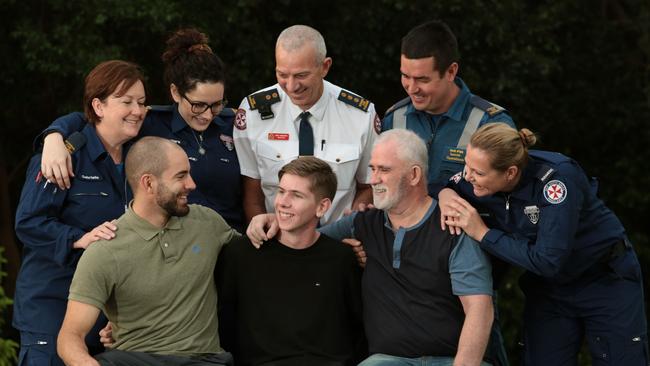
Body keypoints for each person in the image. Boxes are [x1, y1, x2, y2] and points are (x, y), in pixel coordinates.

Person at [249, 129, 494, 366]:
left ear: (414, 175)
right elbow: (305, 240)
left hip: (453, 360)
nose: (373, 179)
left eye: (384, 170)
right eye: (372, 168)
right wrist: (272, 220)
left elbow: (479, 308)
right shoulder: (363, 223)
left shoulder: (451, 225)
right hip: (386, 360)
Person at [439, 123, 648, 365]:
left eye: (478, 172)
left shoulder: (556, 180)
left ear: (510, 172)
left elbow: (548, 260)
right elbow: (443, 185)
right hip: (550, 289)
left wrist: (483, 233)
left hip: (603, 279)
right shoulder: (474, 178)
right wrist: (447, 195)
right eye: (467, 165)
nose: (468, 176)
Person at [38, 28, 245, 232]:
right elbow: (95, 120)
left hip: (230, 242)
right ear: (175, 92)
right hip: (176, 248)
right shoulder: (149, 122)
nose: (208, 115)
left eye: (217, 104)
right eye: (198, 105)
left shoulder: (235, 124)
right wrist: (54, 136)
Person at [57, 136, 238, 366]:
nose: (192, 184)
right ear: (149, 183)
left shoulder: (207, 223)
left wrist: (264, 222)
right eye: (181, 176)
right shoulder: (105, 250)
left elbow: (255, 256)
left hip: (202, 359)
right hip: (134, 360)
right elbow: (70, 337)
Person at [13, 60, 147, 366]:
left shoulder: (140, 155)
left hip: (107, 313)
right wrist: (78, 239)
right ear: (98, 106)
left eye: (141, 102)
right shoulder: (64, 155)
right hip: (52, 305)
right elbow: (28, 222)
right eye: (126, 102)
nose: (137, 111)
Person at [217, 157, 364, 365]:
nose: (282, 202)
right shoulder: (241, 254)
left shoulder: (341, 259)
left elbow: (356, 330)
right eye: (281, 191)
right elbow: (225, 325)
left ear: (322, 207)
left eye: (296, 195)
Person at [233, 24, 377, 225]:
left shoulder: (359, 115)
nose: (291, 86)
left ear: (325, 67)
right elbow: (252, 191)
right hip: (276, 239)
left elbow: (369, 186)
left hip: (338, 241)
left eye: (301, 75)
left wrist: (351, 225)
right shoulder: (253, 112)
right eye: (282, 75)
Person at [382, 20, 515, 196]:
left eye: (423, 79)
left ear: (451, 72)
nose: (412, 88)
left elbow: (510, 198)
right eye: (405, 76)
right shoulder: (394, 118)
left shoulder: (491, 123)